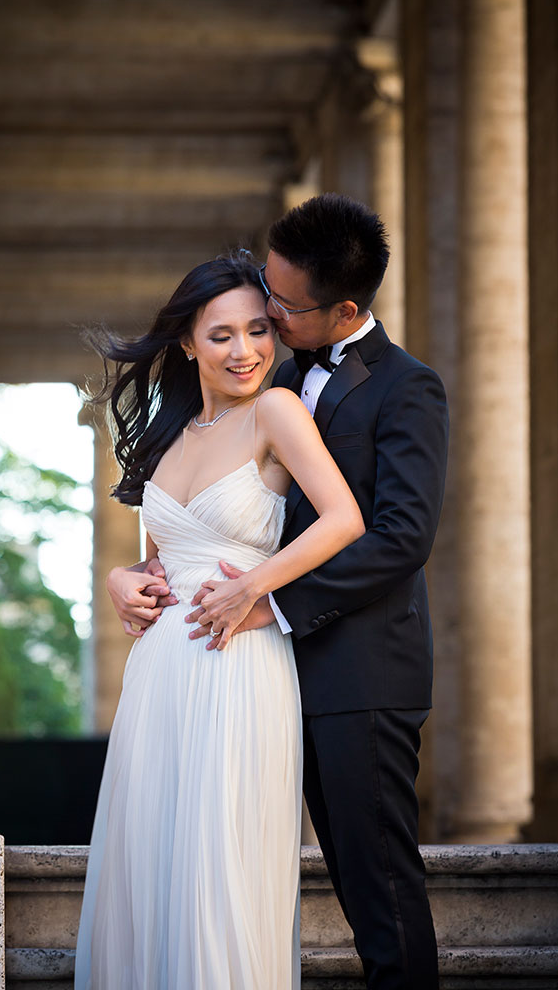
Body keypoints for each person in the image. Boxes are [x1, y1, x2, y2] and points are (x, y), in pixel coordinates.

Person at [108, 195, 449, 989]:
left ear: (346, 309)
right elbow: (192, 522)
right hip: (238, 666)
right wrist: (130, 575)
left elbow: (399, 536)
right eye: (264, 289)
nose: (263, 317)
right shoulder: (268, 374)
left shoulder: (407, 388)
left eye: (280, 308)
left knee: (377, 890)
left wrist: (271, 600)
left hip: (357, 673)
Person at [75, 250, 365, 989]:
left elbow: (342, 520)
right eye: (221, 335)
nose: (246, 351)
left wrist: (258, 590)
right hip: (158, 677)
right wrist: (118, 579)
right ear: (184, 343)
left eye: (260, 330)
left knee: (221, 864)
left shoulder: (277, 410)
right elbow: (159, 563)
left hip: (238, 665)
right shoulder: (168, 435)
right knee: (153, 858)